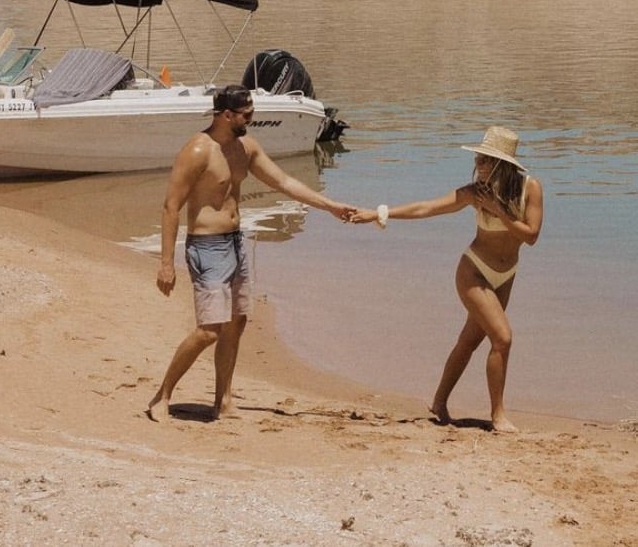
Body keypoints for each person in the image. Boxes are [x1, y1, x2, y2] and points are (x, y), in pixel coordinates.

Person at [146, 84, 356, 423]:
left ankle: (224, 400)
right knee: (209, 331)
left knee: (236, 323)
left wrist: (330, 206)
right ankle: (163, 395)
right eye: (247, 114)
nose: (252, 119)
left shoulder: (246, 148)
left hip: (235, 242)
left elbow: (284, 182)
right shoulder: (198, 149)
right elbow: (171, 206)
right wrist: (166, 263)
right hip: (207, 246)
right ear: (227, 115)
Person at [350, 126, 543, 433]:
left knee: (469, 341)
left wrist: (499, 211)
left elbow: (531, 236)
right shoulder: (472, 193)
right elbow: (427, 207)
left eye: (484, 160)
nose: (478, 164)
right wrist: (379, 213)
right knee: (502, 338)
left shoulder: (529, 189)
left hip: (506, 276)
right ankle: (498, 415)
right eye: (478, 158)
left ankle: (439, 402)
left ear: (502, 165)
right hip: (474, 270)